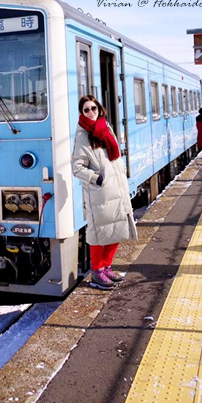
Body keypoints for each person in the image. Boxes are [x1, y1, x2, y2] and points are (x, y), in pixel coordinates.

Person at [72, 95, 137, 290]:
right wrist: (96, 179)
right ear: (82, 113)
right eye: (86, 110)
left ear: (99, 109)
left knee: (116, 229)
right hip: (100, 193)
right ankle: (97, 272)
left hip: (117, 188)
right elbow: (77, 167)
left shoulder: (106, 128)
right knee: (98, 234)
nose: (91, 112)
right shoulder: (82, 134)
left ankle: (107, 267)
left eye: (93, 108)